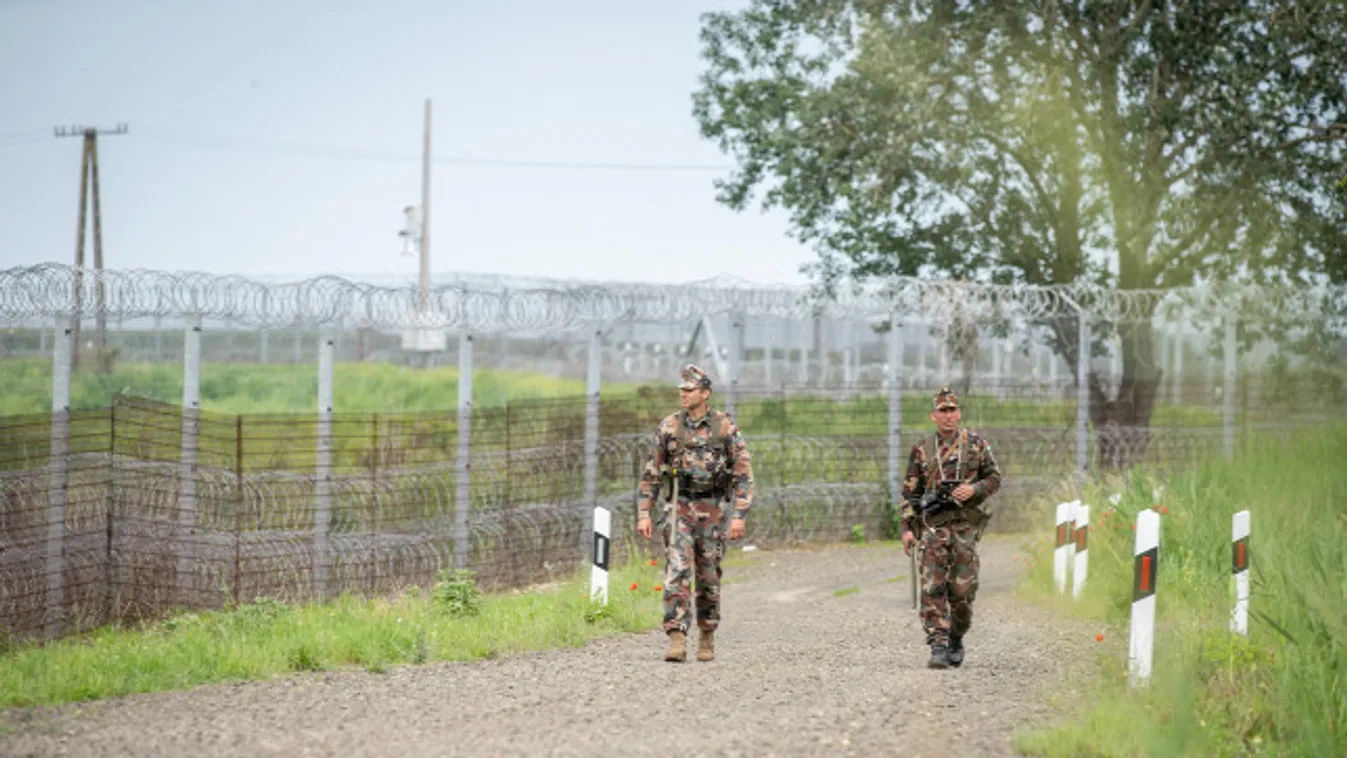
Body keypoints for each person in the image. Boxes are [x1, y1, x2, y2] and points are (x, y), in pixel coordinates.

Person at [636, 363, 754, 663]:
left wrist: (739, 515)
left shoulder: (724, 428)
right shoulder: (669, 427)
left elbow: (743, 474)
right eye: (682, 390)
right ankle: (676, 636)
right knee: (677, 569)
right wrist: (644, 512)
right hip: (679, 506)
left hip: (712, 509)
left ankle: (707, 634)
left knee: (708, 574)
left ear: (705, 393)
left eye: (689, 390)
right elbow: (651, 473)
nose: (683, 394)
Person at [900, 386, 1002, 669]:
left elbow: (995, 478)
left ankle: (956, 636)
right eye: (942, 411)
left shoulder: (976, 445)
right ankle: (938, 644)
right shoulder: (922, 449)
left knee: (962, 592)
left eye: (952, 410)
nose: (948, 416)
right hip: (933, 527)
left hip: (965, 528)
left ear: (959, 413)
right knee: (932, 586)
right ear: (933, 415)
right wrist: (907, 528)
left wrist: (974, 489)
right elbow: (909, 493)